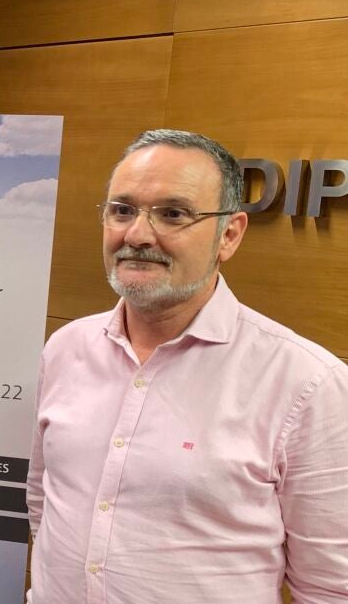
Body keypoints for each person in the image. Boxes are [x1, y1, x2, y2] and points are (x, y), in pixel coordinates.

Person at [26, 129, 348, 602]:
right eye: (122, 210)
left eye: (173, 214)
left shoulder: (306, 383)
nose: (137, 235)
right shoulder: (66, 348)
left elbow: (330, 587)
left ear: (229, 235)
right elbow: (44, 502)